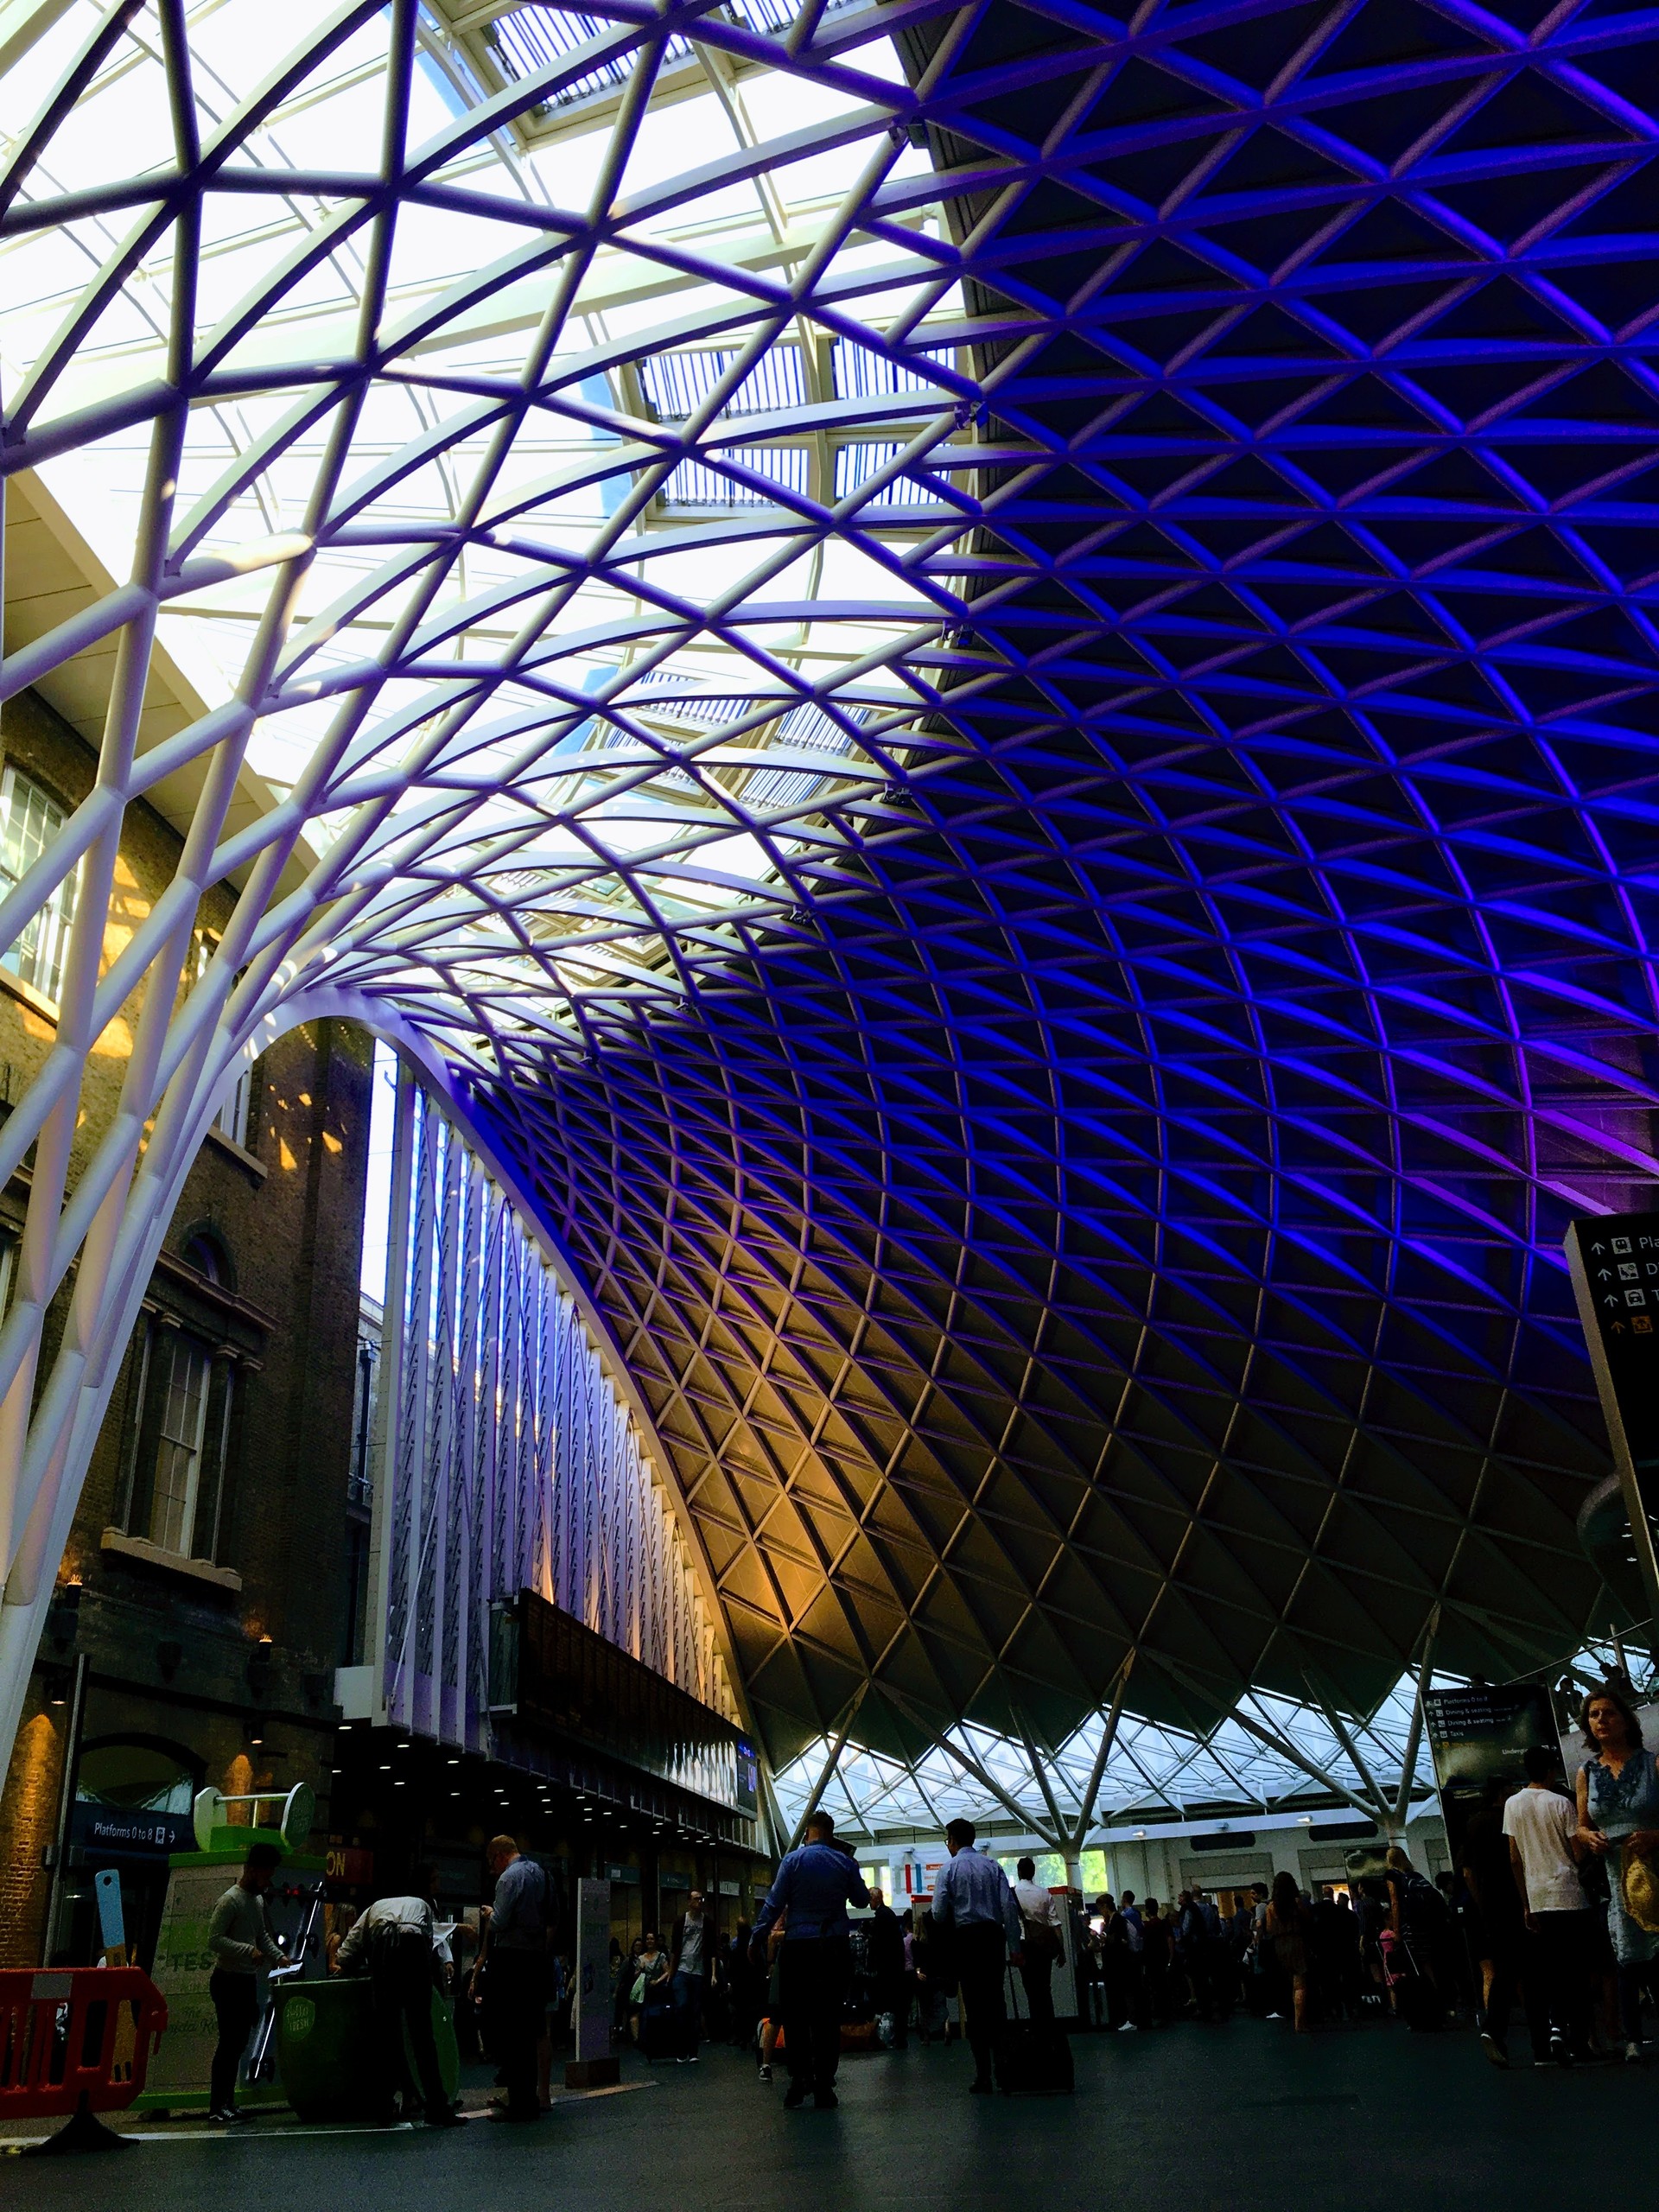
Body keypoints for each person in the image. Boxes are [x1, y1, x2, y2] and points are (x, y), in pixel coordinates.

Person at [751, 1809, 869, 2109]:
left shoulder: (792, 1861)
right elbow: (861, 1900)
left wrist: (757, 1937)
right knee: (828, 2018)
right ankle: (824, 2085)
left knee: (796, 2016)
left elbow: (773, 1904)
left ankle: (799, 2078)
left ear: (807, 1833)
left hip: (798, 1948)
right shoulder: (844, 1861)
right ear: (830, 1834)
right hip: (833, 1947)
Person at [336, 1870, 461, 2126]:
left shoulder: (373, 1908)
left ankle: (382, 2106)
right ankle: (437, 2108)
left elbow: (351, 1945)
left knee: (386, 2032)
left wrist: (343, 1962)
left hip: (384, 1950)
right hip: (414, 1949)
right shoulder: (422, 1905)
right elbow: (428, 1943)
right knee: (423, 2035)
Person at [1576, 1681, 1659, 2063]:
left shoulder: (1652, 1763)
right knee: (1627, 1954)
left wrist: (1655, 1835)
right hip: (1615, 1872)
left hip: (1654, 1865)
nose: (1601, 1720)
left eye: (1608, 1712)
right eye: (1594, 1715)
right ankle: (1634, 2038)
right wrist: (1588, 1837)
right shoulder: (1586, 1773)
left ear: (1625, 1719)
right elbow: (1580, 1825)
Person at [1502, 1743, 1599, 2063]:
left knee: (1545, 1974)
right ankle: (1578, 2041)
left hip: (1538, 1898)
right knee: (1576, 1973)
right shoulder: (1561, 1802)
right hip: (1570, 1896)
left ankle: (1546, 2039)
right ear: (1551, 1769)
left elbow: (1515, 1858)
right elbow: (1578, 1851)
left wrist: (1526, 1903)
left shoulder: (1512, 1805)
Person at [931, 1818, 1023, 2094]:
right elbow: (1008, 1909)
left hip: (966, 1941)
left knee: (974, 2008)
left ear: (953, 1841)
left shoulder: (948, 1869)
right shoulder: (993, 1866)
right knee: (996, 2003)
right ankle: (1004, 2070)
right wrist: (1015, 1948)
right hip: (992, 1940)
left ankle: (983, 2076)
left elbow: (937, 1913)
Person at [206, 1839, 285, 2123]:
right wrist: (247, 1950)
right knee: (229, 2043)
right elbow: (214, 1940)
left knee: (238, 2044)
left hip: (245, 1980)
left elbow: (261, 1935)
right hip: (227, 1979)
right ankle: (217, 2106)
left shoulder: (256, 1900)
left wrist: (279, 1957)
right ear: (251, 1869)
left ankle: (227, 2101)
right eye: (266, 1873)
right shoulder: (230, 1900)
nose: (268, 1880)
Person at [482, 1834, 549, 2121]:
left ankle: (517, 2102)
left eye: (491, 1863)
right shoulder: (540, 1873)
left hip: (511, 1959)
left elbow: (499, 1921)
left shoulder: (509, 1878)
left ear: (499, 1855)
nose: (492, 1870)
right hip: (535, 1957)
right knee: (531, 2030)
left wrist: (489, 1914)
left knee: (512, 2032)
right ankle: (529, 2099)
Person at [1010, 1858, 1064, 2025]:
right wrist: (1061, 1951)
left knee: (1030, 1989)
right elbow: (1055, 1924)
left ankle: (1037, 2026)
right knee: (1045, 1988)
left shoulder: (1012, 1893)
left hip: (1024, 1945)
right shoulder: (1044, 1893)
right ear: (1033, 1872)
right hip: (1044, 1946)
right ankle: (1049, 2025)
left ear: (1019, 1872)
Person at [668, 1890, 713, 2063]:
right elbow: (675, 1949)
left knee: (694, 2011)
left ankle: (693, 2051)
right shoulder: (681, 1922)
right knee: (682, 2007)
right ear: (689, 1902)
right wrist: (672, 1974)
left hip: (698, 1971)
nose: (699, 1902)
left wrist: (713, 1973)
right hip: (682, 1969)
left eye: (700, 1899)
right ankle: (681, 2050)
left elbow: (710, 1948)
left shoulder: (706, 1922)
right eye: (695, 1899)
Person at [1265, 1872, 1313, 2032]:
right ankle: (1300, 2022)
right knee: (1300, 1984)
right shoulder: (1296, 1903)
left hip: (1280, 1944)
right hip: (1296, 1941)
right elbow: (1307, 1919)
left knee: (1292, 1983)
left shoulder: (1271, 1907)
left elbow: (1269, 1929)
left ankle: (1296, 2018)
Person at [867, 1887, 909, 2046]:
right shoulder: (888, 1915)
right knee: (897, 2004)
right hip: (895, 1967)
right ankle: (898, 2037)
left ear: (875, 1899)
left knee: (889, 2003)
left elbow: (879, 1945)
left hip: (888, 1969)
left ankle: (892, 2037)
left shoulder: (881, 1917)